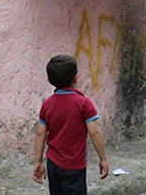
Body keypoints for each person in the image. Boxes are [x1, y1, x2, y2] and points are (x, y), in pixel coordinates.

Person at [32, 55, 109, 194]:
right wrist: (103, 158)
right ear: (76, 78)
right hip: (74, 166)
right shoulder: (84, 103)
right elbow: (94, 132)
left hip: (53, 165)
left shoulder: (47, 104)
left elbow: (40, 133)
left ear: (49, 80)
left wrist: (38, 162)